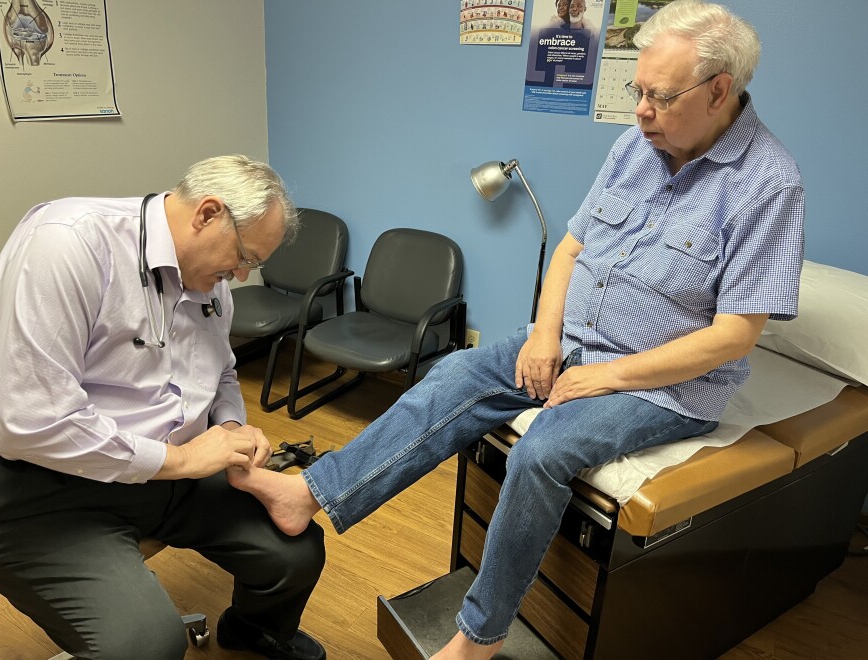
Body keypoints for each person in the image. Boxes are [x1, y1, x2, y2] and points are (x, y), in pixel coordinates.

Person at [234, 1, 806, 658]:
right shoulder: (637, 145)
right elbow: (569, 250)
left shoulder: (768, 183)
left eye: (660, 97)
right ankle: (311, 492)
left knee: (541, 452)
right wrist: (543, 336)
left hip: (662, 385)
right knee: (452, 373)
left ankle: (479, 637)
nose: (640, 110)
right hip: (570, 344)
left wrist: (605, 376)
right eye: (637, 90)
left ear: (719, 91)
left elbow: (733, 337)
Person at [0, 155, 327, 660]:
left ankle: (254, 630)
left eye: (251, 265)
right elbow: (28, 421)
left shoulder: (210, 284)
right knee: (146, 646)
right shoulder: (68, 242)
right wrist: (188, 461)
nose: (239, 274)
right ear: (208, 213)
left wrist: (230, 424)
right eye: (244, 257)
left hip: (166, 474)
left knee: (294, 553)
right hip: (41, 488)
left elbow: (223, 372)